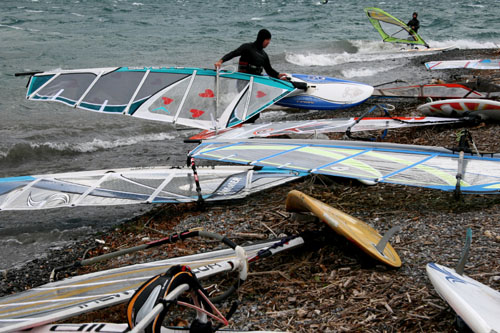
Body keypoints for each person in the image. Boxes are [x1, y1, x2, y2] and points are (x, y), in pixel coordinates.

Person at [214, 29, 288, 80]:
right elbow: (233, 53)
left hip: (256, 82)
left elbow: (269, 70)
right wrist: (220, 61)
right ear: (262, 39)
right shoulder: (247, 47)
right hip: (244, 80)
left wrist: (278, 75)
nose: (268, 43)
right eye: (267, 40)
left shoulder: (264, 55)